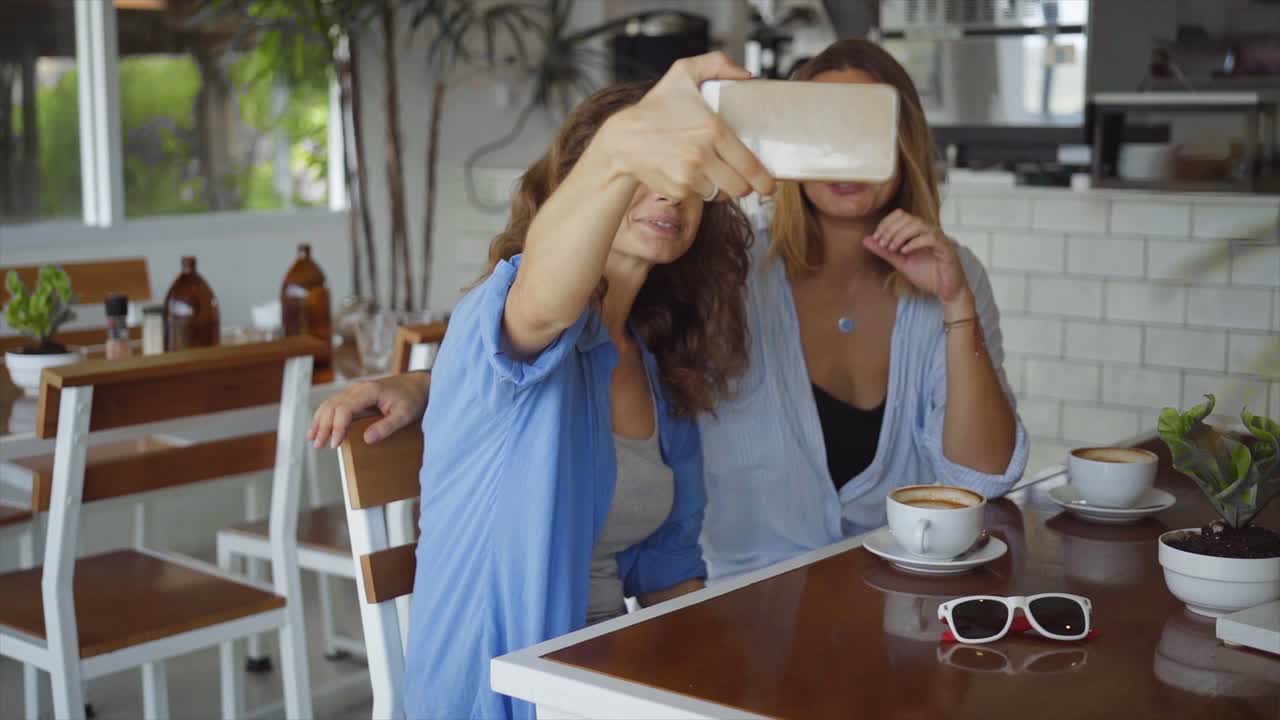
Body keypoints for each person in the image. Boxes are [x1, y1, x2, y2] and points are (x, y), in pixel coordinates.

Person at [311, 39, 1026, 582]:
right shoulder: (730, 273)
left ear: (904, 147)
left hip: (895, 592)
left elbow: (979, 482)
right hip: (746, 600)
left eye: (861, 129)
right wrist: (432, 385)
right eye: (822, 127)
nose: (842, 157)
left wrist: (957, 304)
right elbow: (566, 335)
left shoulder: (945, 278)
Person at [370, 54, 773, 720]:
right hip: (502, 698)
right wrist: (622, 142)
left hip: (609, 687)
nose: (669, 193)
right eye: (641, 174)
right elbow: (542, 309)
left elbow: (669, 568)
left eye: (684, 177)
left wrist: (720, 685)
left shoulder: (654, 363)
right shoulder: (506, 317)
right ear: (585, 187)